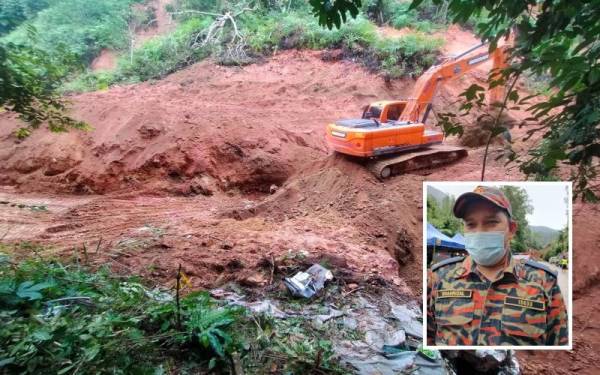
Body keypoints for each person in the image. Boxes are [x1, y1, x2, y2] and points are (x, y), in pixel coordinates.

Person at [427, 185, 568, 346]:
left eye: (491, 222)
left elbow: (558, 351)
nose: (479, 232)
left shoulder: (544, 282)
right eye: (471, 225)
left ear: (511, 229)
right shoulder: (439, 277)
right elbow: (426, 342)